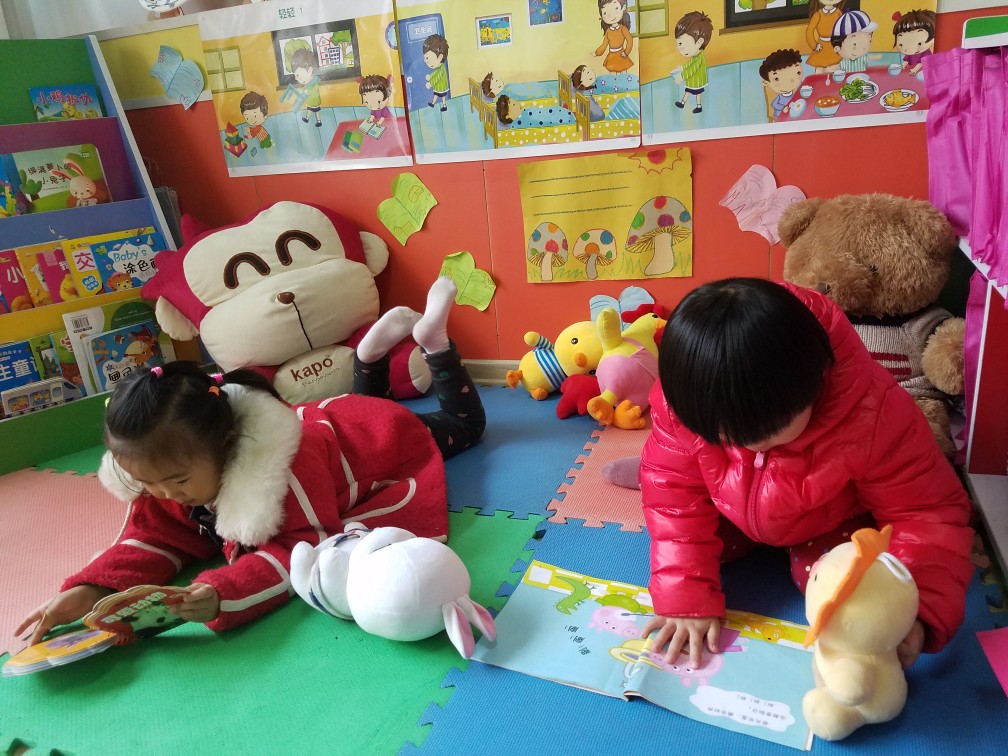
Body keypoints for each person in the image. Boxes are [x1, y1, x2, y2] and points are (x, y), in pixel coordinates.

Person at [17, 277, 485, 645]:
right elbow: (154, 537)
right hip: (328, 418)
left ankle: (434, 342)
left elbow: (301, 548)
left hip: (377, 437)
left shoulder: (284, 474)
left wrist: (224, 593)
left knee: (464, 424)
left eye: (177, 481)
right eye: (146, 483)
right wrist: (92, 590)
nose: (164, 495)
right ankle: (370, 356)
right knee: (371, 398)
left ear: (227, 445)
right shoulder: (165, 467)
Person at [637, 278, 973, 672]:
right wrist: (685, 599)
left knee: (848, 594)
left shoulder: (874, 413)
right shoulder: (681, 404)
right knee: (679, 527)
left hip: (828, 523)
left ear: (817, 380)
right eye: (726, 437)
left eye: (768, 433)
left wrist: (916, 609)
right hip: (729, 510)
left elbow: (927, 512)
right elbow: (673, 498)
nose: (751, 447)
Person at [672, 10, 713, 114]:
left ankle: (698, 106)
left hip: (697, 81)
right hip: (693, 81)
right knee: (688, 91)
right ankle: (683, 103)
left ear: (699, 41)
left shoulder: (699, 58)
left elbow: (692, 69)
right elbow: (690, 64)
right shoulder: (696, 56)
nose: (680, 48)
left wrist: (681, 77)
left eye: (683, 43)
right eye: (679, 44)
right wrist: (682, 67)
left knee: (697, 93)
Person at [759, 49, 804, 120]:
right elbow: (774, 104)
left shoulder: (793, 93)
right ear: (766, 82)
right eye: (777, 79)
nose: (790, 81)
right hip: (780, 117)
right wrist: (783, 108)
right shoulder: (780, 97)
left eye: (798, 73)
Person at [595, 0, 634, 74]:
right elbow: (604, 44)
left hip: (621, 55)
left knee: (623, 74)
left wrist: (626, 52)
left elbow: (630, 40)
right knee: (612, 74)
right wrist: (597, 52)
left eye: (616, 8)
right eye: (605, 13)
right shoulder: (608, 31)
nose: (611, 16)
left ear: (623, 8)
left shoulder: (623, 28)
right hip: (611, 56)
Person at [893, 9, 936, 76]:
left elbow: (921, 63)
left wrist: (915, 70)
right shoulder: (910, 51)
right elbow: (906, 60)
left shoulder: (926, 53)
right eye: (901, 44)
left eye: (919, 43)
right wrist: (902, 66)